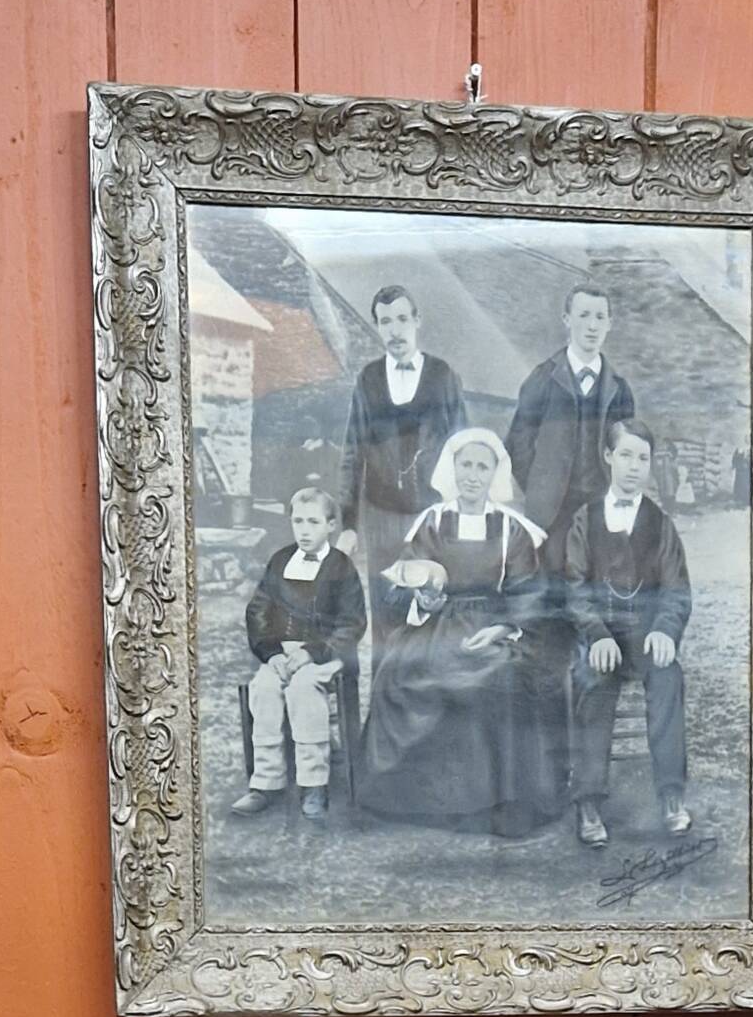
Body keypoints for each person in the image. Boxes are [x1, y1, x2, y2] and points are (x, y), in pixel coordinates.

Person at [356, 428, 566, 838]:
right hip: (439, 623)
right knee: (400, 673)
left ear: (494, 474)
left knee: (502, 679)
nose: (472, 475)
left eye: (481, 467)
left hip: (494, 625)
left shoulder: (512, 530)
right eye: (465, 465)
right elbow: (405, 581)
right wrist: (425, 597)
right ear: (453, 470)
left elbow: (530, 593)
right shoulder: (432, 522)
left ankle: (497, 804)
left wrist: (504, 628)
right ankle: (426, 803)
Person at [561, 416, 692, 846]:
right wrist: (595, 633)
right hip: (601, 634)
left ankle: (671, 794)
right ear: (607, 458)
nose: (634, 466)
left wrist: (666, 630)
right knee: (591, 681)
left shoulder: (661, 524)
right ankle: (588, 800)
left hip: (646, 634)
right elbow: (575, 588)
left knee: (668, 677)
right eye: (626, 456)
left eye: (643, 458)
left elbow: (675, 589)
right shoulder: (585, 520)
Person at [234, 480, 365, 822]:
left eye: (313, 522)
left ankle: (313, 783)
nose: (304, 531)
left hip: (325, 655)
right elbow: (258, 611)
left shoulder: (341, 568)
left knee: (303, 689)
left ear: (331, 526)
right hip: (282, 652)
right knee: (263, 688)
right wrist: (273, 653)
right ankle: (266, 780)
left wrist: (312, 652)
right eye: (298, 522)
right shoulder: (280, 561)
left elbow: (352, 623)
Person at [341, 283, 467, 566]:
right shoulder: (368, 379)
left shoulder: (442, 376)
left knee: (431, 603)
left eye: (402, 319)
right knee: (385, 603)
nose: (395, 331)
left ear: (416, 321)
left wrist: (460, 514)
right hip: (381, 518)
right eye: (385, 322)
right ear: (377, 326)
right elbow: (353, 454)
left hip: (432, 515)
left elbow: (463, 448)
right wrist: (349, 524)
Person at [505, 284, 636, 554]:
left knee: (598, 585)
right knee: (553, 588)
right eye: (583, 315)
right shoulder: (542, 379)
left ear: (610, 324)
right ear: (567, 319)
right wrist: (539, 487)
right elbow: (518, 442)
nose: (592, 326)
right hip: (551, 514)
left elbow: (627, 451)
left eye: (600, 318)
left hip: (601, 507)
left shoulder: (619, 389)